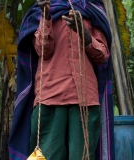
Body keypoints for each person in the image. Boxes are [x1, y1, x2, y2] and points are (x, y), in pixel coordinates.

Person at [9, 0, 114, 160]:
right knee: (48, 156)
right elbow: (43, 50)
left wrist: (83, 32)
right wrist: (46, 15)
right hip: (50, 97)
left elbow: (102, 56)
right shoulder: (41, 10)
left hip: (85, 101)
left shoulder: (91, 8)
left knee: (83, 157)